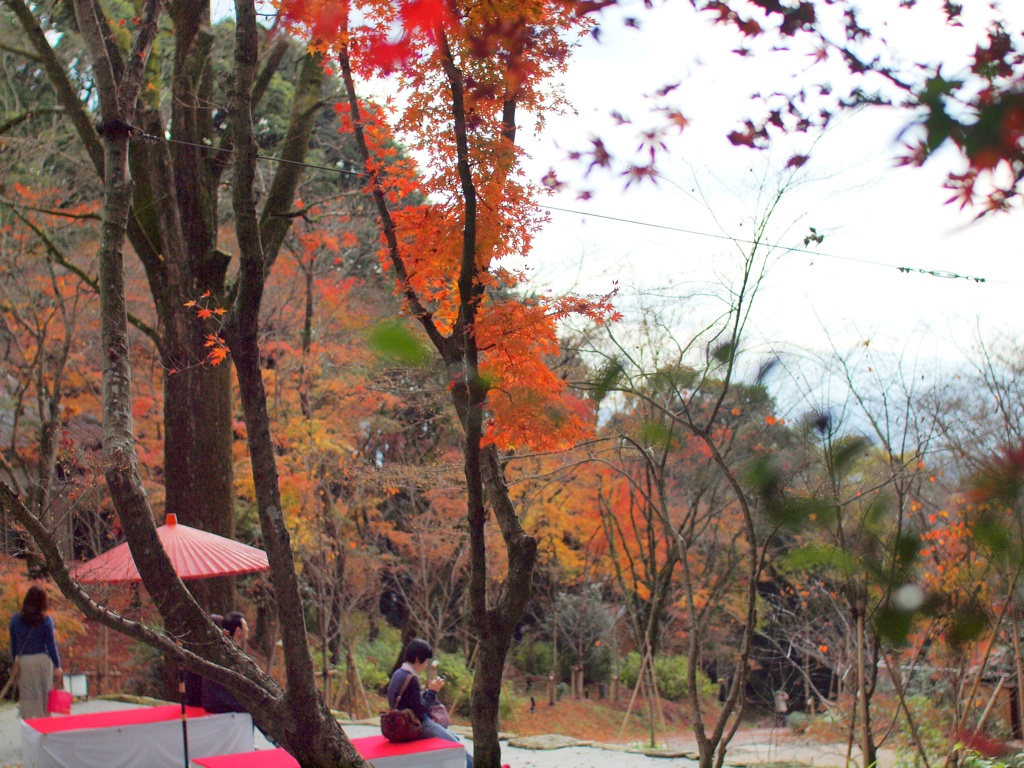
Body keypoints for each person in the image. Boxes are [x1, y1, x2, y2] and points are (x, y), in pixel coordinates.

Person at [387, 638, 473, 768]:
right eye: (426, 660)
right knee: (458, 746)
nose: (426, 664)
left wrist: (428, 692)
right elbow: (421, 711)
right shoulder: (412, 679)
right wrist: (432, 692)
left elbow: (410, 702)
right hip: (417, 724)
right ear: (417, 659)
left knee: (454, 736)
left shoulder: (398, 673)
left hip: (399, 722)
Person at [8, 585, 62, 718]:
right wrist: (57, 666)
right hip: (42, 661)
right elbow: (51, 645)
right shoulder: (46, 621)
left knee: (27, 696)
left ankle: (29, 724)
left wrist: (15, 662)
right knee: (44, 695)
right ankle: (44, 725)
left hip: (24, 662)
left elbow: (14, 646)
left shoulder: (15, 620)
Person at [201, 611, 248, 714]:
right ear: (238, 630)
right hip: (221, 704)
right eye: (245, 627)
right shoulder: (223, 654)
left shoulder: (234, 652)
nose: (247, 629)